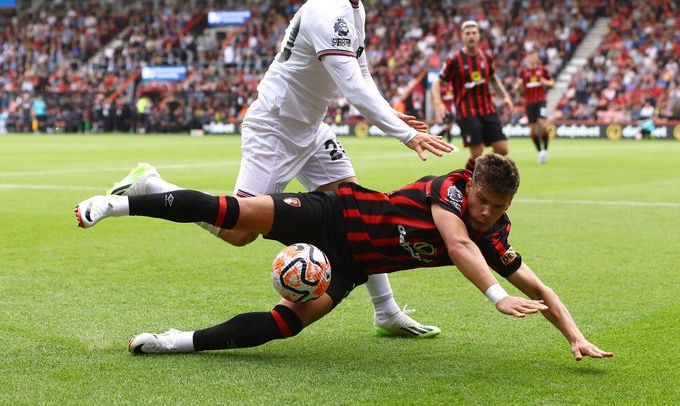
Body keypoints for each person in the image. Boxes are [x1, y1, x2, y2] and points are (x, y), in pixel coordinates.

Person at [108, 0, 453, 338]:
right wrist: (406, 134)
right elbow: (351, 87)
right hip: (275, 127)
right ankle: (151, 186)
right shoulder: (328, 12)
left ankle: (385, 310)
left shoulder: (353, 8)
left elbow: (360, 71)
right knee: (240, 234)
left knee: (355, 208)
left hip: (309, 127)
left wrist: (393, 113)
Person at [76, 153, 613, 361]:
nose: (484, 212)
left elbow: (541, 290)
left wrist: (575, 336)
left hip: (352, 265)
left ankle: (173, 342)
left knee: (286, 326)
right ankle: (118, 203)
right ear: (469, 186)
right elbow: (456, 245)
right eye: (480, 200)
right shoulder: (449, 188)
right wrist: (495, 296)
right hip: (335, 214)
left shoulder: (495, 234)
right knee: (231, 214)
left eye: (496, 208)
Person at [431, 20, 513, 172]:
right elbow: (437, 84)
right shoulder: (454, 60)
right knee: (477, 153)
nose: (471, 36)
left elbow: (493, 79)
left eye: (474, 33)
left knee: (502, 149)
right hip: (466, 112)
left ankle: (482, 174)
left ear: (479, 36)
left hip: (487, 109)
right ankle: (468, 182)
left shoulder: (487, 57)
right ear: (462, 36)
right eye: (467, 33)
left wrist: (505, 96)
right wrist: (438, 103)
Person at [513, 50, 554, 164]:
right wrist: (517, 86)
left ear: (537, 58)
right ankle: (540, 152)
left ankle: (545, 150)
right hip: (529, 103)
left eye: (533, 56)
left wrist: (545, 81)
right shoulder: (523, 72)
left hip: (541, 101)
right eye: (529, 56)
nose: (531, 58)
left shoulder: (543, 70)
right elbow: (516, 87)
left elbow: (552, 83)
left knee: (542, 124)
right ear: (527, 58)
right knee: (532, 130)